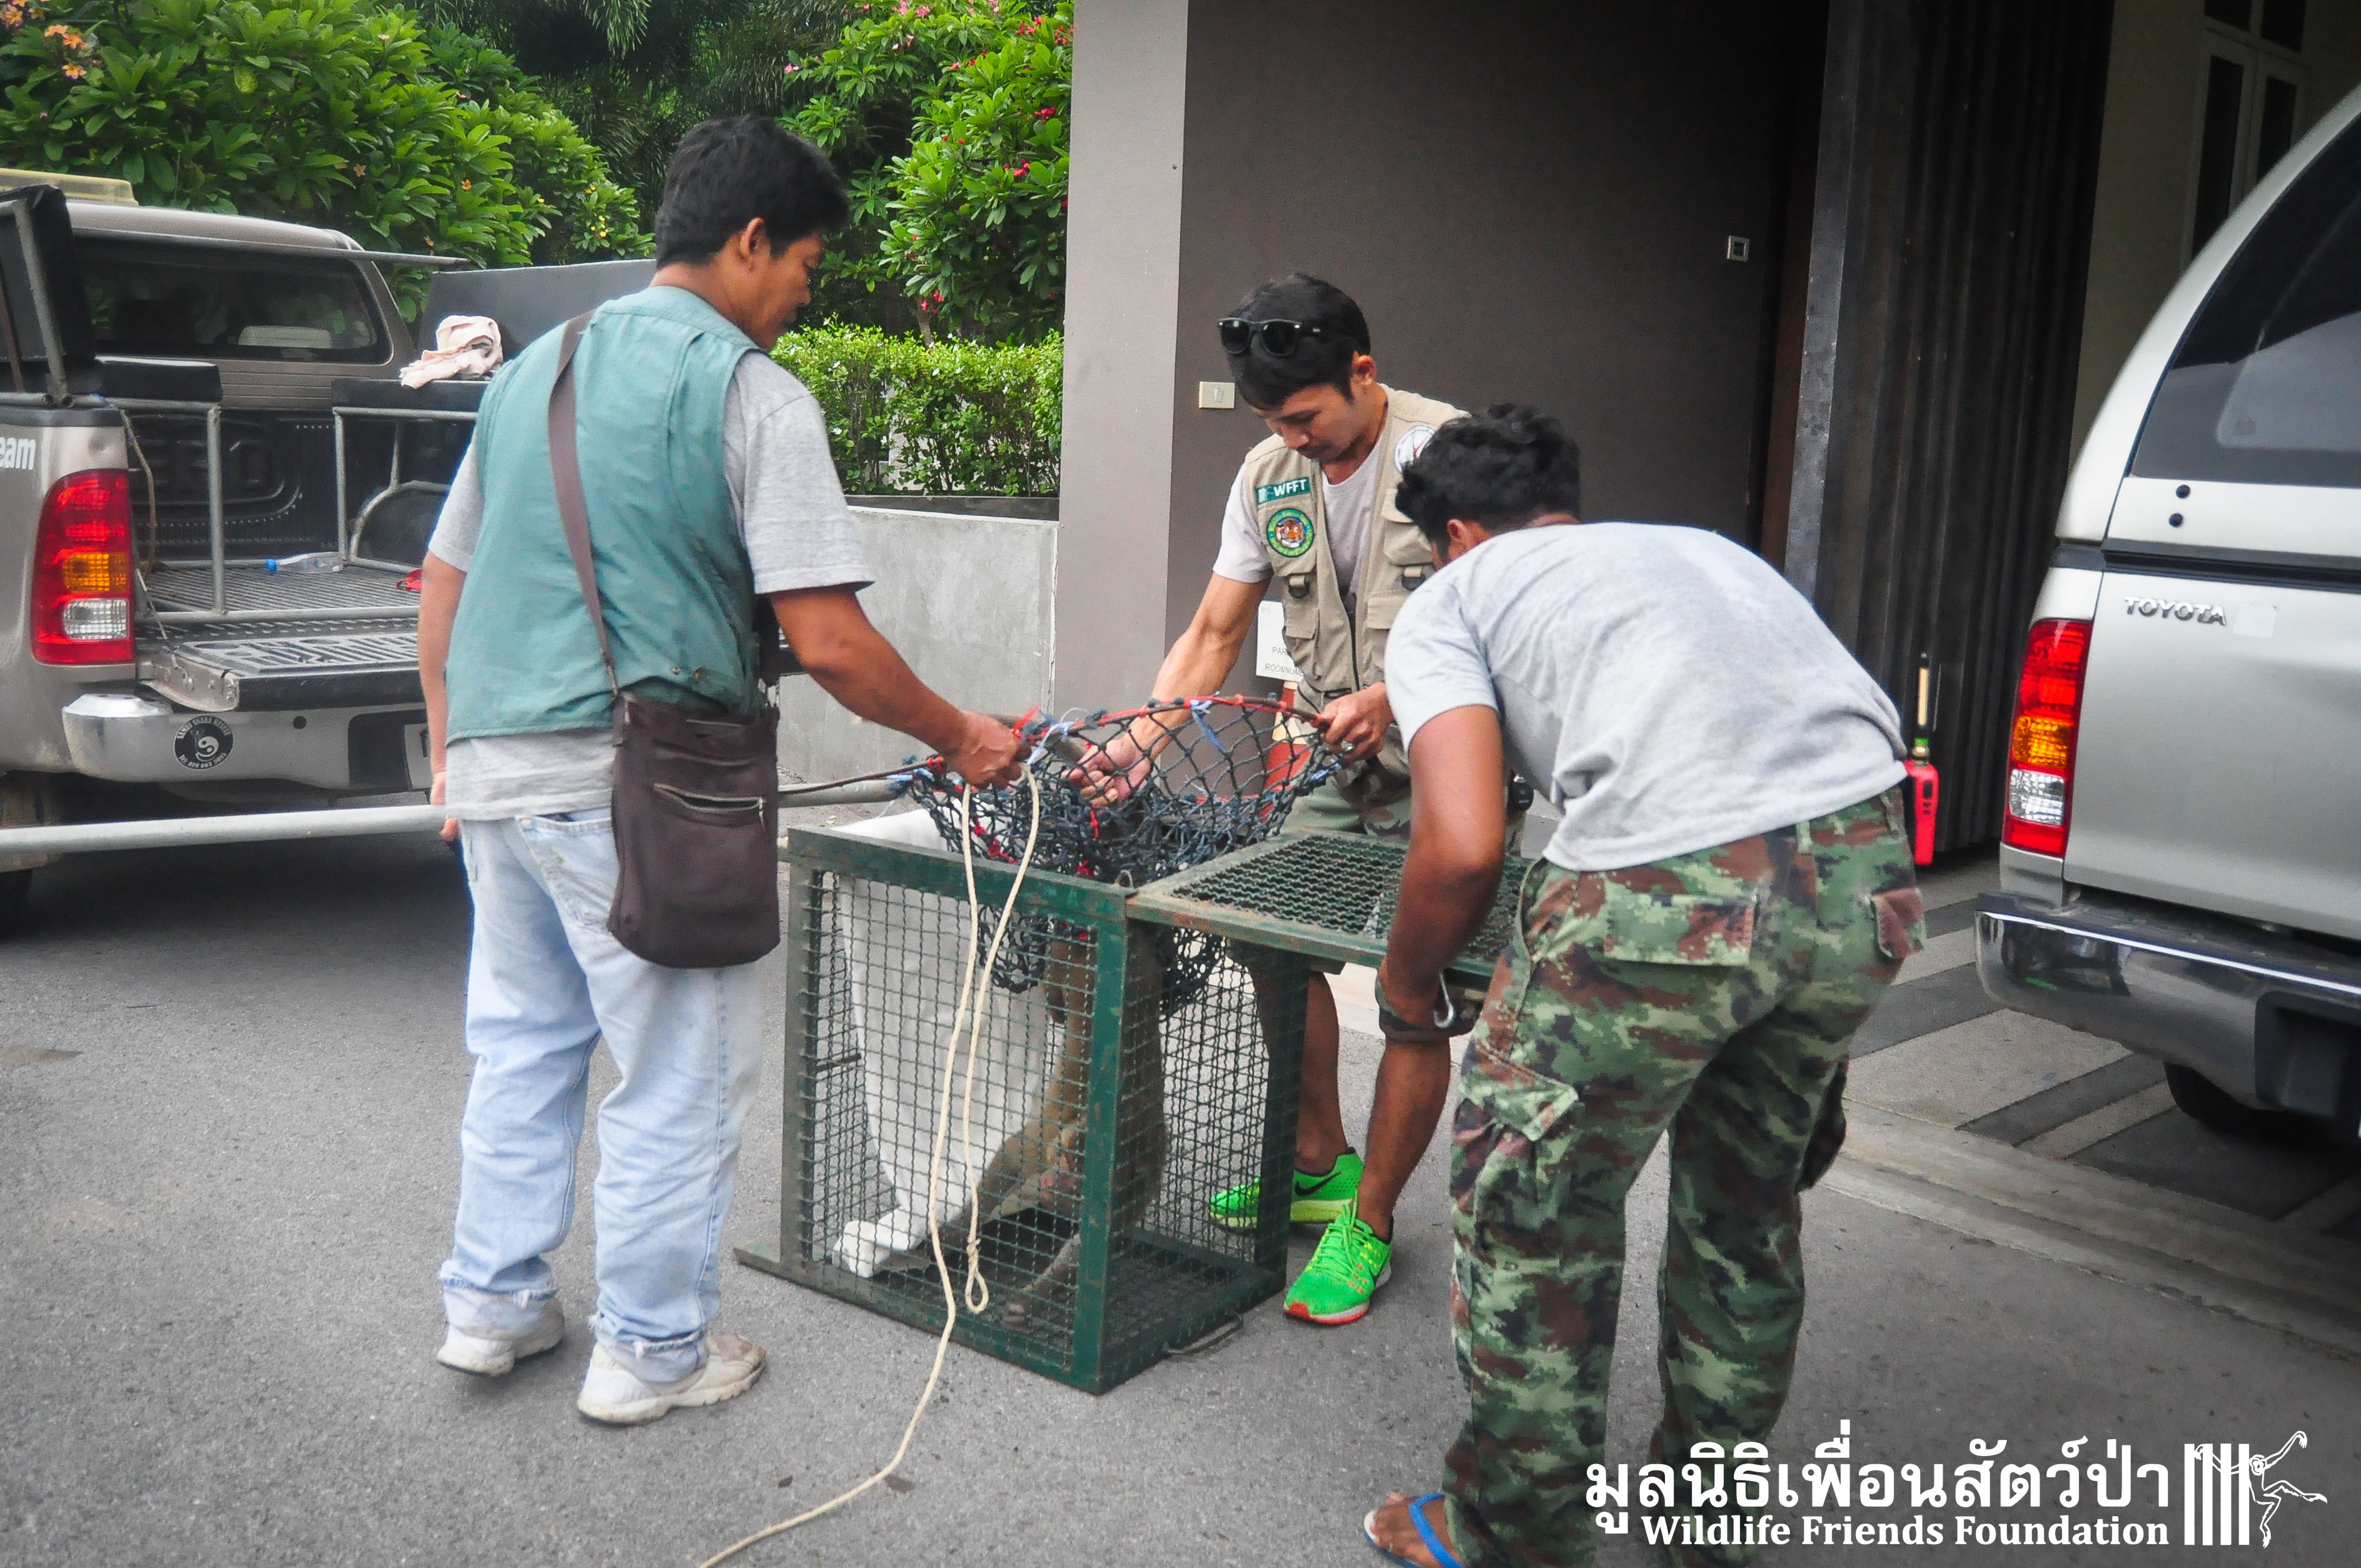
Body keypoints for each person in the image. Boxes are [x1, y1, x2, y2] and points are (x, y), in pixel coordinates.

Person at [415, 117, 1021, 1428]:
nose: (805, 293)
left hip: (496, 775)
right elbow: (832, 643)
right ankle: (651, 1351)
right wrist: (965, 736)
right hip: (639, 789)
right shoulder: (750, 392)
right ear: (751, 239)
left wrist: (449, 756)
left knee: (522, 1049)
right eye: (805, 263)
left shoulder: (530, 373)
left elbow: (444, 583)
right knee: (678, 1076)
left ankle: (493, 1308)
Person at [1358, 406, 1922, 1568]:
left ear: (1456, 535)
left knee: (1533, 1214)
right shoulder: (1703, 552)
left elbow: (1461, 846)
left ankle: (1512, 1532)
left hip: (1663, 896)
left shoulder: (1453, 600)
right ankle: (1706, 1529)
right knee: (1744, 1215)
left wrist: (1407, 988)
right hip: (1866, 879)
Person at [1078, 273, 1496, 1328]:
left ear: (1364, 370)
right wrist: (1141, 741)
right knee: (1267, 936)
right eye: (1274, 422)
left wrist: (1394, 695)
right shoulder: (1269, 475)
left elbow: (1504, 619)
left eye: (1306, 417)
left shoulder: (1452, 452)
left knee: (1412, 987)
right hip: (1327, 761)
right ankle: (1316, 1159)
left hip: (1446, 763)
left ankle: (1369, 1218)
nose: (1294, 440)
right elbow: (1215, 632)